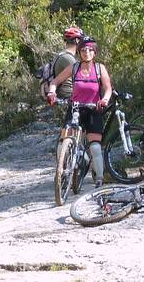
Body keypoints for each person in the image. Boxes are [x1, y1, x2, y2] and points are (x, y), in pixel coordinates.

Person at [46, 36, 113, 188]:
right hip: (75, 107)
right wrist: (52, 92)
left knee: (95, 147)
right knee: (62, 144)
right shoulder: (74, 67)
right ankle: (62, 172)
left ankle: (99, 178)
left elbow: (108, 88)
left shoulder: (99, 68)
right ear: (79, 51)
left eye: (90, 49)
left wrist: (105, 100)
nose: (86, 52)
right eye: (83, 49)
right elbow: (55, 81)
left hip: (93, 109)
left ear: (94, 52)